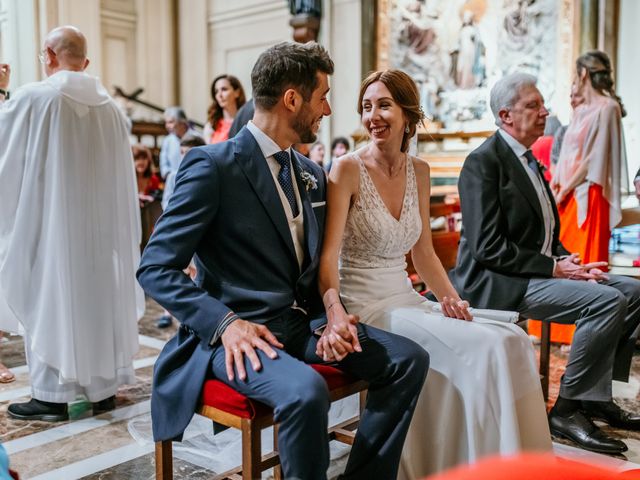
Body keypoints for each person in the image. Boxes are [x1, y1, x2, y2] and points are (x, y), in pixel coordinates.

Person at [137, 42, 429, 480]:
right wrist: (225, 324)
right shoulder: (212, 166)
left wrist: (333, 315)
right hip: (237, 333)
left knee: (408, 360)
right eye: (323, 96)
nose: (328, 110)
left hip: (302, 325)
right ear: (293, 99)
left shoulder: (310, 173)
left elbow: (317, 265)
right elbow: (155, 267)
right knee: (306, 391)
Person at [319, 69, 550, 478]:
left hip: (408, 299)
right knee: (484, 348)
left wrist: (451, 299)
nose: (373, 115)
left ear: (407, 113)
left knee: (511, 339)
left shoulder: (419, 171)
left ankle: (513, 465)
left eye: (384, 105)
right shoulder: (346, 170)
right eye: (366, 107)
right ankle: (455, 465)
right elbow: (329, 255)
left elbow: (423, 252)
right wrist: (334, 312)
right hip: (366, 306)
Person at [449, 72, 640, 454]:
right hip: (495, 281)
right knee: (604, 301)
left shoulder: (528, 159)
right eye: (532, 106)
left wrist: (569, 259)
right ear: (506, 115)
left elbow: (545, 232)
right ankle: (567, 410)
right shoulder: (482, 162)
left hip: (530, 270)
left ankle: (593, 397)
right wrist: (553, 267)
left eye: (542, 104)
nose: (544, 112)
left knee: (633, 290)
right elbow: (488, 248)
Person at [0, 26, 144, 421]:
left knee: (50, 297)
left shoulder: (35, 97)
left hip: (51, 228)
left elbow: (4, 151)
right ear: (86, 62)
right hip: (100, 236)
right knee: (97, 301)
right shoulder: (112, 110)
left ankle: (52, 395)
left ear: (47, 54)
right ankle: (102, 390)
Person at [552, 50, 627, 266]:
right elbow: (567, 151)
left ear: (583, 73)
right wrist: (556, 185)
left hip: (588, 192)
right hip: (564, 193)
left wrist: (565, 189)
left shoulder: (608, 108)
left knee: (584, 262)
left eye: (576, 75)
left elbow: (595, 158)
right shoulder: (580, 109)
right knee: (562, 259)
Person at [154, 134, 205, 329]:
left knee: (196, 272)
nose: (184, 157)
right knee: (174, 270)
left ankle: (194, 313)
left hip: (200, 229)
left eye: (188, 153)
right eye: (182, 153)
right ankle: (168, 311)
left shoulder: (209, 171)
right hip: (179, 227)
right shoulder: (175, 175)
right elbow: (167, 201)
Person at [159, 106, 200, 179]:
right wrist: (170, 176)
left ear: (182, 122)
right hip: (173, 181)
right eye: (166, 122)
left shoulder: (196, 138)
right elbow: (164, 165)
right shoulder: (167, 141)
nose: (167, 126)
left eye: (171, 122)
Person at [203, 74, 246, 144]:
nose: (219, 95)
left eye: (224, 89)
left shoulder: (247, 121)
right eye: (216, 91)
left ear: (237, 92)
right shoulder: (211, 125)